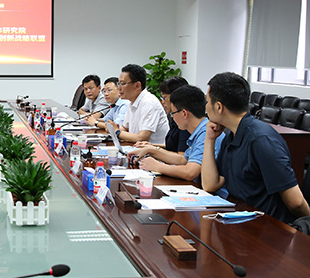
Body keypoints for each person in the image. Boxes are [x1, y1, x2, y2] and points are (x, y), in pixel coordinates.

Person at [201, 72, 310, 223]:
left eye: (207, 102)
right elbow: (210, 184)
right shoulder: (232, 135)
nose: (206, 107)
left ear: (219, 107)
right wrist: (209, 139)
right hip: (242, 221)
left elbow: (296, 202)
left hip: (269, 227)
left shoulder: (261, 140)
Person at [128, 85, 224, 182]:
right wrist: (151, 150)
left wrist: (157, 166)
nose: (173, 118)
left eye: (173, 113)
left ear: (184, 113)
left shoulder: (207, 132)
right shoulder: (200, 129)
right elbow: (183, 160)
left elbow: (190, 172)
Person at [109, 64, 169, 144]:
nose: (119, 88)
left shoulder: (148, 102)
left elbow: (142, 138)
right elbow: (124, 128)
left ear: (137, 86)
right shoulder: (132, 101)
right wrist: (114, 130)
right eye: (118, 83)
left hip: (153, 151)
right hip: (136, 148)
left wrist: (117, 132)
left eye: (122, 84)